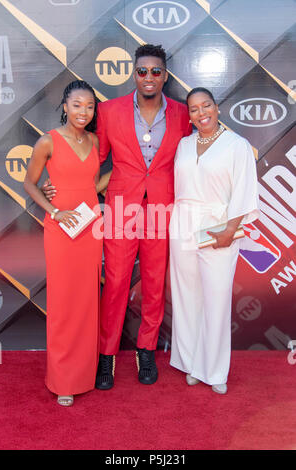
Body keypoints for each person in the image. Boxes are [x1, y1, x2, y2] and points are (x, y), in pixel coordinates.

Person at [94, 44, 191, 389]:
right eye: (141, 71)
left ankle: (146, 350)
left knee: (153, 284)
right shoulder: (108, 111)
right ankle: (106, 356)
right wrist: (62, 185)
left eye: (155, 71)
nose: (148, 77)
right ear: (133, 74)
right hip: (121, 207)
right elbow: (95, 159)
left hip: (163, 209)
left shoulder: (182, 114)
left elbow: (193, 161)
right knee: (117, 282)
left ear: (164, 75)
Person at [169, 87, 260, 394]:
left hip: (218, 227)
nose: (201, 113)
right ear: (189, 115)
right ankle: (193, 363)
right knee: (186, 298)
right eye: (193, 109)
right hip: (182, 224)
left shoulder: (237, 145)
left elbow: (245, 190)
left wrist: (229, 230)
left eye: (205, 105)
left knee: (216, 300)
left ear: (217, 107)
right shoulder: (183, 145)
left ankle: (215, 369)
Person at [24, 80, 103, 406]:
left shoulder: (95, 140)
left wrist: (124, 174)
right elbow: (29, 183)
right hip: (60, 230)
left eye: (89, 106)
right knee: (62, 303)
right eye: (77, 105)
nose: (83, 112)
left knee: (86, 302)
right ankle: (63, 380)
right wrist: (54, 210)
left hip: (90, 228)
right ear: (65, 107)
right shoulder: (48, 142)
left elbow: (91, 183)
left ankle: (85, 373)